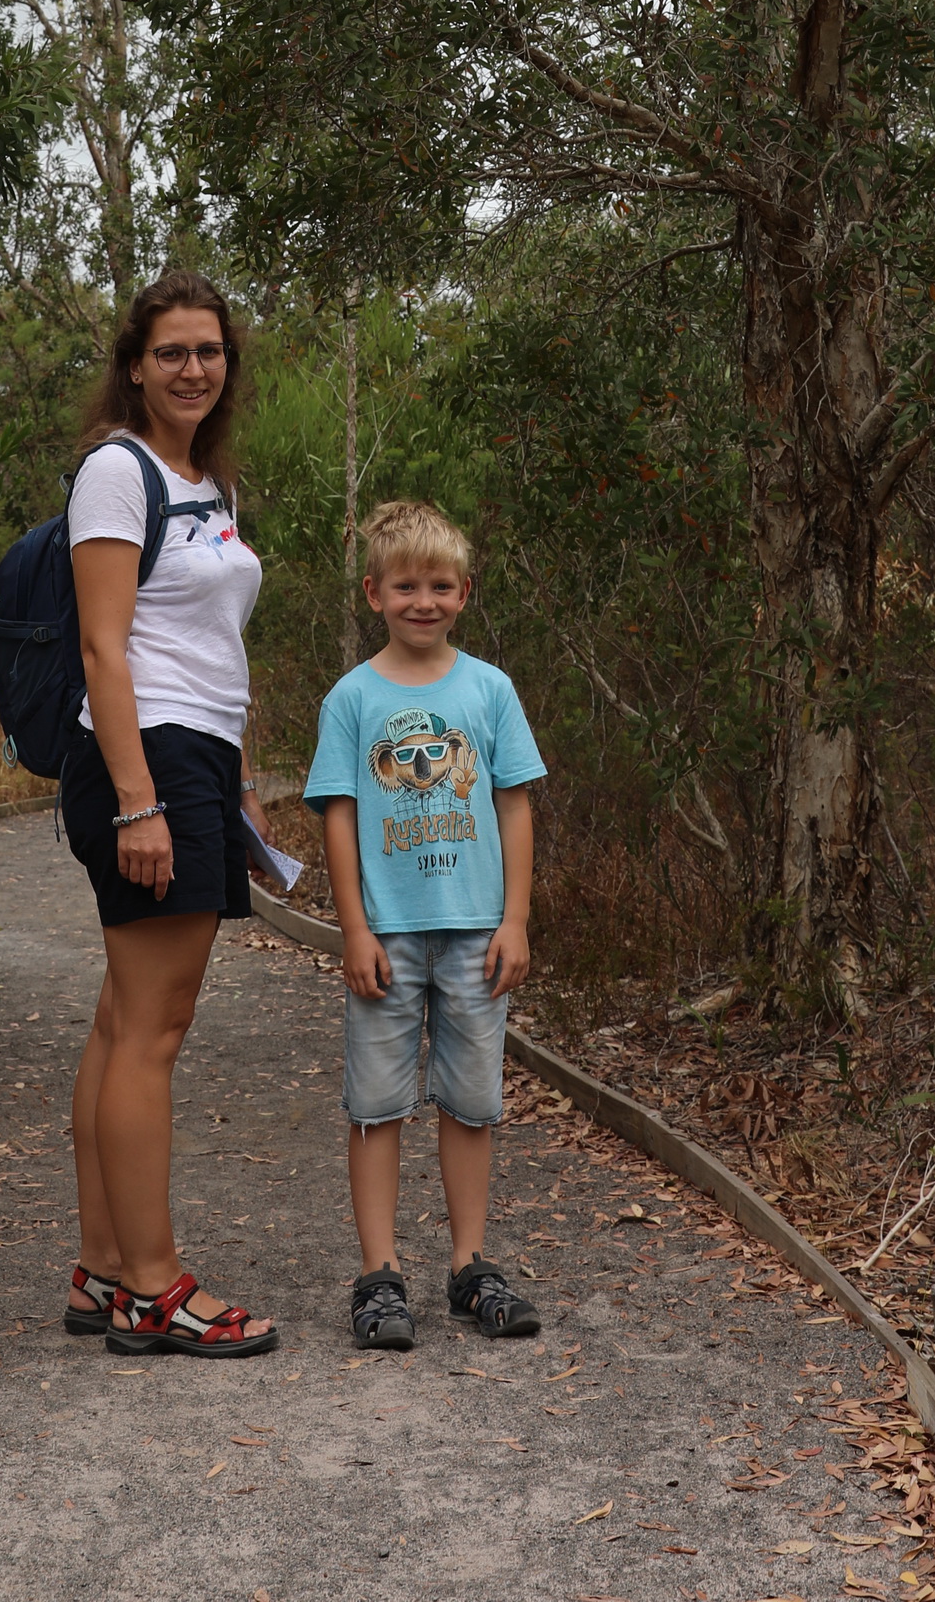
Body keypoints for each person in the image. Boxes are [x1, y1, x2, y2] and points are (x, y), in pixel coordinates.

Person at [59, 265, 284, 1358]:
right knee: (155, 1031)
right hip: (145, 762)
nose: (193, 368)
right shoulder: (116, 471)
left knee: (120, 1021)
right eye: (172, 352)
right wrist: (139, 805)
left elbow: (213, 646)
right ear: (135, 365)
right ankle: (153, 1289)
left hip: (193, 757)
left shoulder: (205, 483)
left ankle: (103, 1270)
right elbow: (107, 646)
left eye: (209, 351)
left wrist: (232, 775)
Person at [304, 498, 546, 1350]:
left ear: (465, 591)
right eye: (405, 585)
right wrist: (354, 929)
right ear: (374, 593)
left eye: (440, 585)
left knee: (472, 1101)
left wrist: (514, 919)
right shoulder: (353, 697)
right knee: (377, 1104)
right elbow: (337, 814)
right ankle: (379, 1276)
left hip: (477, 929)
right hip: (390, 932)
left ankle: (471, 1266)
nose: (423, 601)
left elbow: (513, 805)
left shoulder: (490, 690)